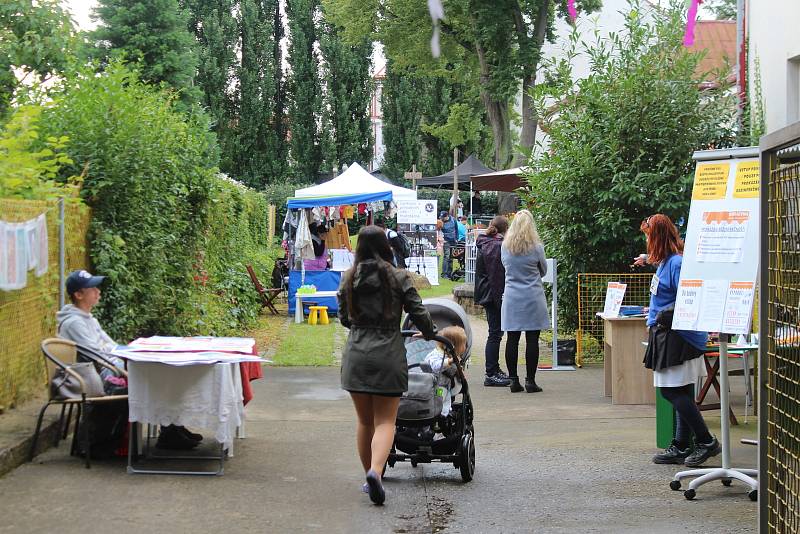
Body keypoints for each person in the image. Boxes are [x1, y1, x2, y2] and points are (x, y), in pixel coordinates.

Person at [337, 226, 436, 505]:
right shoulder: (399, 278)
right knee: (385, 421)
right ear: (386, 247)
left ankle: (368, 478)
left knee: (364, 421)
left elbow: (344, 318)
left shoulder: (348, 277)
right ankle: (376, 473)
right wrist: (430, 332)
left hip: (356, 355)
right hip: (388, 355)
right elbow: (419, 312)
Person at [57, 270, 202, 451]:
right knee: (153, 383)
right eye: (92, 288)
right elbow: (97, 355)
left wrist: (126, 354)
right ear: (78, 295)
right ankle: (170, 431)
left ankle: (172, 428)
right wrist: (124, 364)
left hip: (102, 370)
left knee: (158, 380)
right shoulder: (74, 323)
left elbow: (110, 346)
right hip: (91, 378)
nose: (98, 291)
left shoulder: (89, 320)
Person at [640, 214, 720, 467]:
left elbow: (689, 298)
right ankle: (682, 444)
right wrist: (646, 260)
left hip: (679, 336)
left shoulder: (676, 263)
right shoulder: (666, 261)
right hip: (670, 333)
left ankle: (706, 441)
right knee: (682, 390)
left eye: (648, 236)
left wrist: (662, 315)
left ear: (657, 238)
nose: (646, 242)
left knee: (671, 390)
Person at [500, 210, 549, 393]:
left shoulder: (505, 247)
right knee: (532, 339)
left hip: (512, 296)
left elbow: (504, 266)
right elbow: (543, 270)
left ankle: (513, 380)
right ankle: (530, 380)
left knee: (511, 338)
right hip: (532, 296)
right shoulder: (536, 247)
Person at [474, 216, 511, 387]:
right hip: (492, 294)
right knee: (495, 334)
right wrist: (500, 299)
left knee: (495, 333)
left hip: (486, 292)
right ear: (505, 229)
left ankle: (494, 369)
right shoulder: (496, 246)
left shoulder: (486, 242)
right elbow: (497, 276)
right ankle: (491, 373)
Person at [421, 325, 467, 417]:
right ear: (453, 346)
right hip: (434, 386)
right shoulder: (436, 355)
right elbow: (435, 366)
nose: (465, 347)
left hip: (445, 386)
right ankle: (440, 416)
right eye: (463, 344)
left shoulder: (450, 355)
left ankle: (445, 415)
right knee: (440, 402)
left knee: (446, 401)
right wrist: (449, 362)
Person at [440, 211, 458, 279]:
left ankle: (449, 274)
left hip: (453, 241)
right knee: (447, 256)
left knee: (451, 257)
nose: (442, 218)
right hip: (446, 241)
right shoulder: (441, 222)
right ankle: (444, 274)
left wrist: (456, 238)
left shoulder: (453, 220)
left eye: (443, 217)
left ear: (447, 216)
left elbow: (456, 229)